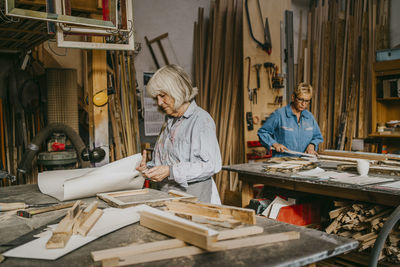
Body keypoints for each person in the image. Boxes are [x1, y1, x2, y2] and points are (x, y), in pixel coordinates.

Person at [136, 64, 222, 203]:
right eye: (156, 97)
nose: (159, 102)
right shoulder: (170, 121)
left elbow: (210, 165)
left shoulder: (201, 121)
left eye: (163, 96)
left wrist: (171, 171)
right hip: (168, 197)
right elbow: (165, 162)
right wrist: (148, 169)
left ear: (177, 91)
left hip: (194, 199)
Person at [258, 83, 323, 157]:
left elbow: (317, 137)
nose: (303, 104)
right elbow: (262, 132)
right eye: (300, 99)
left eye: (307, 101)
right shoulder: (279, 114)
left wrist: (312, 145)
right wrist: (275, 144)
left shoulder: (309, 117)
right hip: (282, 163)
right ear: (293, 97)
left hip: (304, 162)